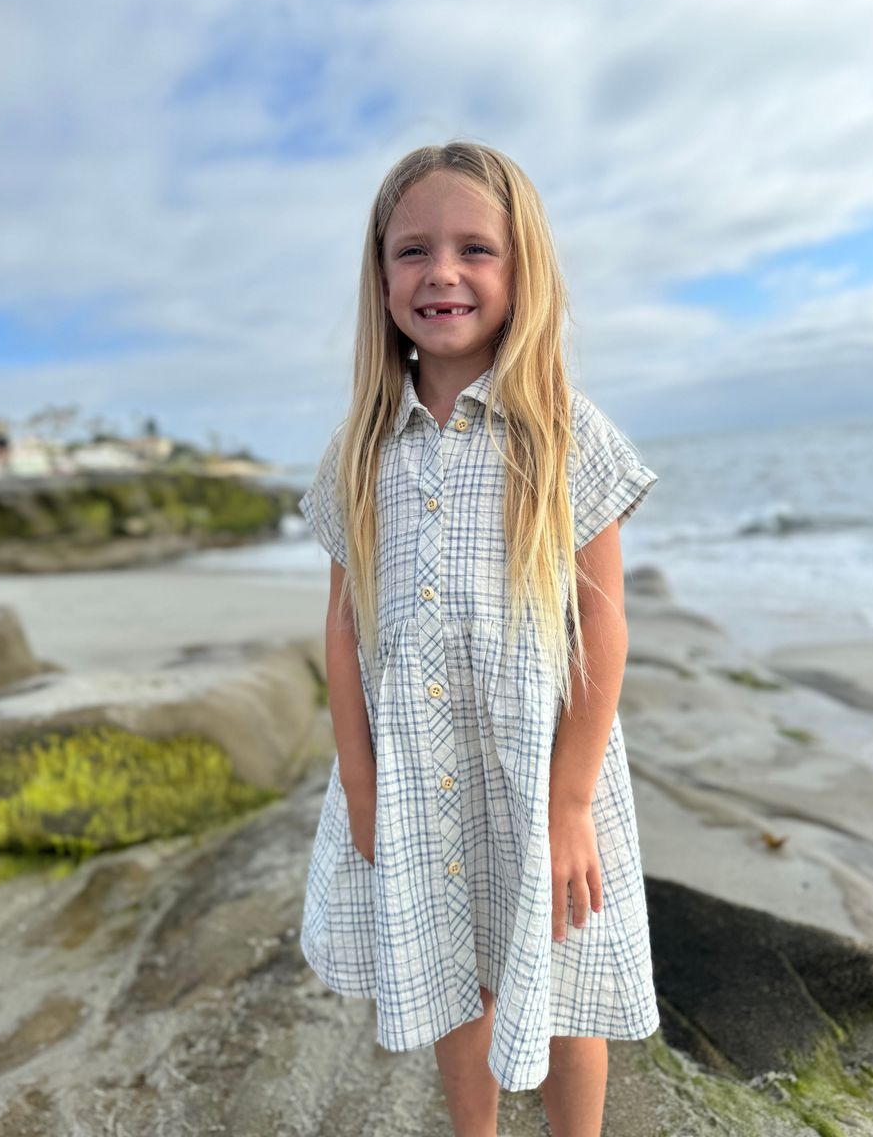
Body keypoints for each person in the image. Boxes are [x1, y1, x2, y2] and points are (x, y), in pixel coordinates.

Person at [297, 140, 661, 1137]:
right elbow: (343, 628)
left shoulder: (563, 430)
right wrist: (362, 786)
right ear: (381, 276)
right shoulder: (358, 450)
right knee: (456, 980)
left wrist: (571, 803)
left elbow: (603, 621)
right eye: (412, 250)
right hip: (417, 771)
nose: (442, 273)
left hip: (543, 770)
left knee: (565, 985)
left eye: (475, 249)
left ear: (520, 268)